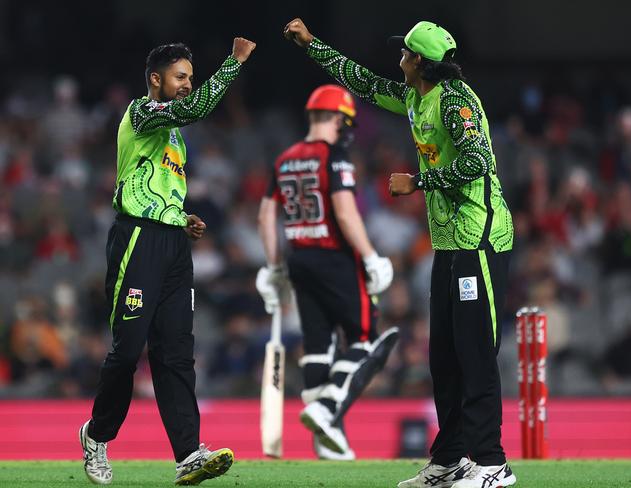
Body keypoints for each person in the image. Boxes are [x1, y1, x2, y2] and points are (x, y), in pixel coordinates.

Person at [284, 18, 515, 488]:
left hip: (480, 239)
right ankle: (450, 460)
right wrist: (312, 45)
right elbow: (363, 82)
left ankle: (492, 464)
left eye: (406, 54)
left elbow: (478, 161)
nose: (400, 60)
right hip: (451, 244)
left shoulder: (455, 100)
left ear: (423, 63)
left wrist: (419, 181)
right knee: (444, 358)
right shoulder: (416, 95)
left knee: (474, 354)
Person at [79, 39, 256, 486]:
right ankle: (97, 435)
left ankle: (188, 454)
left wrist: (181, 218)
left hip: (173, 244)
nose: (187, 85)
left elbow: (161, 185)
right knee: (127, 350)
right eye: (181, 77)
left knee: (177, 352)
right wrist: (232, 63)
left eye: (191, 78)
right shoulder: (141, 113)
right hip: (136, 239)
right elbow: (193, 110)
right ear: (156, 79)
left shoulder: (173, 134)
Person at [256, 84, 398, 460]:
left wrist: (273, 267)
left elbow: (266, 215)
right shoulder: (335, 157)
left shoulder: (285, 158)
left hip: (299, 259)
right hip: (336, 258)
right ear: (338, 118)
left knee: (318, 346)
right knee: (365, 338)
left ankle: (326, 438)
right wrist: (370, 256)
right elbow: (346, 211)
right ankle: (329, 408)